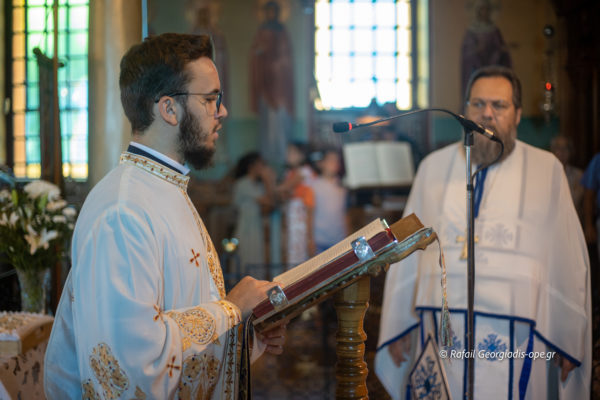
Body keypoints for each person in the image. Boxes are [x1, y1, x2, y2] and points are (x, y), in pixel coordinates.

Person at [44, 33, 285, 399]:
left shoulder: (165, 188)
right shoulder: (122, 211)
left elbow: (184, 314)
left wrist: (246, 330)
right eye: (210, 99)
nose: (222, 112)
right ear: (169, 109)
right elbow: (132, 369)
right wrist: (232, 309)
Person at [376, 66, 591, 399]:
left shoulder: (546, 170)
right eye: (478, 104)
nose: (487, 113)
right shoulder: (432, 167)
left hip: (519, 329)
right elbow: (408, 249)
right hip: (442, 324)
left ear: (517, 114)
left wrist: (568, 334)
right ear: (464, 111)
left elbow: (567, 256)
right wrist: (399, 321)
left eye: (499, 105)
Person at [232, 152, 277, 276]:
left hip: (256, 227)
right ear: (252, 166)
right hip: (246, 228)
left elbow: (269, 206)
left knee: (256, 257)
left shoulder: (258, 185)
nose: (263, 167)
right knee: (246, 256)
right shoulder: (243, 184)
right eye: (260, 164)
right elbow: (268, 200)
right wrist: (268, 180)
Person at [280, 142, 316, 266]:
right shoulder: (289, 173)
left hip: (302, 213)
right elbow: (283, 194)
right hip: (292, 214)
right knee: (292, 251)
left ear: (302, 155)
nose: (288, 155)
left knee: (300, 252)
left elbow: (284, 188)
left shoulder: (304, 171)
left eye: (292, 152)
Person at [309, 149, 348, 254]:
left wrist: (347, 235)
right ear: (321, 163)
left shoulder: (341, 186)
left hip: (338, 240)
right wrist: (310, 239)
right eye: (330, 160)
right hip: (320, 240)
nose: (334, 164)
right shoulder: (315, 186)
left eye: (336, 161)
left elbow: (344, 213)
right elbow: (310, 214)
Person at [550, 135, 584, 220]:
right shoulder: (546, 174)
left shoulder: (579, 175)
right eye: (558, 148)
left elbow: (575, 202)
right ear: (552, 151)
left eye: (565, 149)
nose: (562, 153)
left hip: (572, 220)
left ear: (571, 152)